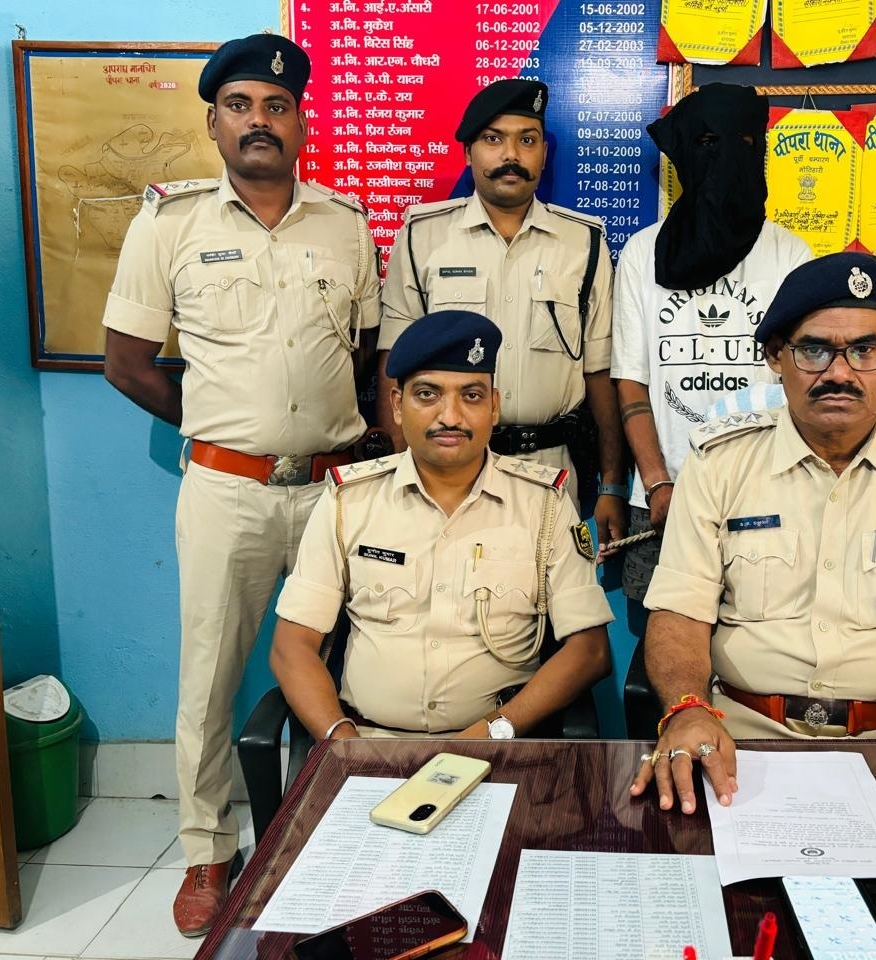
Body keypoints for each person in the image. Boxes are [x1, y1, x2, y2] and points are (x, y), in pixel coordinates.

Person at [100, 34, 380, 936]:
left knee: (356, 667)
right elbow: (126, 363)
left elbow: (365, 358)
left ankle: (346, 823)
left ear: (302, 122)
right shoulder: (169, 224)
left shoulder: (346, 224)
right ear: (214, 122)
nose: (260, 121)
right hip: (227, 493)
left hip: (335, 492)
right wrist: (220, 425)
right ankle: (207, 852)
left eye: (277, 106)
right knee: (210, 674)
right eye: (240, 106)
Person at [628, 252, 876, 830]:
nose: (839, 373)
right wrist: (687, 710)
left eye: (865, 349)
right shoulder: (719, 463)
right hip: (740, 746)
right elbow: (679, 614)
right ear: (775, 356)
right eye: (814, 350)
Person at [270, 311, 613, 745]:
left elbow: (589, 650)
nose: (450, 416)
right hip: (369, 744)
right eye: (428, 394)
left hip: (499, 746)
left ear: (494, 406)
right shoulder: (348, 501)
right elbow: (292, 646)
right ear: (397, 405)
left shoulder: (544, 504)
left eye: (471, 395)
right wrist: (342, 742)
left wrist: (490, 734)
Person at [375, 79, 628, 548]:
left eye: (527, 140)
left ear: (543, 154)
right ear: (468, 152)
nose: (511, 154)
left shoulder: (584, 243)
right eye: (493, 139)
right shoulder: (422, 236)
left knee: (549, 592)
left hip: (550, 471)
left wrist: (612, 483)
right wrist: (398, 471)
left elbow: (599, 372)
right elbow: (394, 364)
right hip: (444, 466)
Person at [610, 82, 812, 610]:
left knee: (761, 634)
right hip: (663, 496)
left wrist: (769, 487)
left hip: (765, 494)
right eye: (707, 144)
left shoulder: (790, 254)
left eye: (744, 143)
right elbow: (630, 378)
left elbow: (802, 377)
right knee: (662, 637)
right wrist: (657, 482)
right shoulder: (642, 255)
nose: (727, 160)